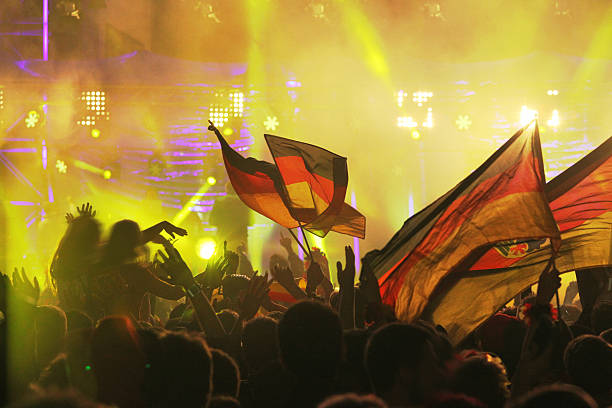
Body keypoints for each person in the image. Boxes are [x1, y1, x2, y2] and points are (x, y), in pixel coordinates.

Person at [91, 220, 186, 320]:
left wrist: (162, 226)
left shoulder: (95, 267)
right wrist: (192, 281)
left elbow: (131, 239)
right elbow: (173, 293)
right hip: (127, 331)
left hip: (98, 330)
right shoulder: (137, 273)